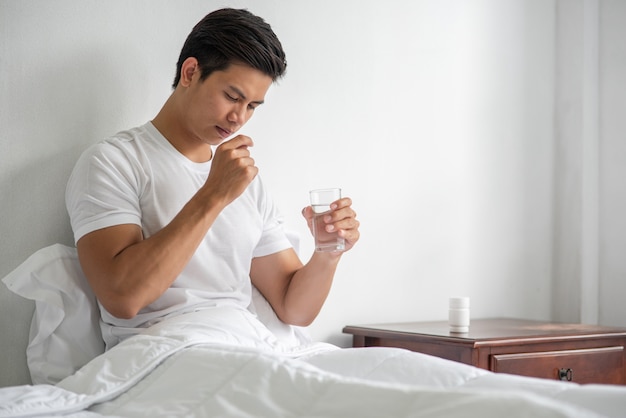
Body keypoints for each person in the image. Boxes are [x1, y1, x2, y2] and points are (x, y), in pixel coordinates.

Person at [65, 8, 359, 349]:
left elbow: (293, 307)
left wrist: (328, 252)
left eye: (252, 106)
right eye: (232, 97)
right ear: (190, 72)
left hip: (249, 346)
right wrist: (214, 195)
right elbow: (123, 297)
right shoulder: (113, 161)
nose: (238, 118)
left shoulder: (244, 179)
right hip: (165, 352)